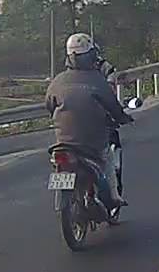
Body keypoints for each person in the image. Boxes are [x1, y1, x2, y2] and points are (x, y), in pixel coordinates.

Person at [45, 33, 134, 214]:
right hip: (92, 142)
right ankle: (113, 197)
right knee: (108, 158)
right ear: (91, 55)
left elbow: (49, 105)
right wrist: (123, 118)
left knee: (60, 164)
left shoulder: (58, 80)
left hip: (63, 142)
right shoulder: (97, 80)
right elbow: (113, 105)